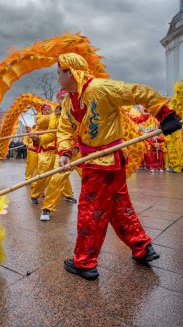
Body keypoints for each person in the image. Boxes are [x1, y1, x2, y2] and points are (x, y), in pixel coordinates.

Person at [56, 52, 182, 280]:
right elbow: (64, 129)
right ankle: (142, 247)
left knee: (90, 212)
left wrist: (164, 114)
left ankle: (84, 262)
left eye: (60, 72)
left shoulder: (99, 88)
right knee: (118, 207)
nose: (58, 77)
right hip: (94, 161)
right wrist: (65, 152)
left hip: (104, 161)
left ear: (72, 72)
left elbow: (138, 92)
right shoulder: (67, 101)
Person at [30, 90, 79, 221]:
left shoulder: (76, 109)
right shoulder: (54, 115)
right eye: (61, 98)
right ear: (58, 100)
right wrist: (38, 140)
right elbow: (51, 135)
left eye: (66, 97)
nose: (64, 100)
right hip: (62, 151)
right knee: (54, 177)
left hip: (80, 150)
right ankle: (46, 207)